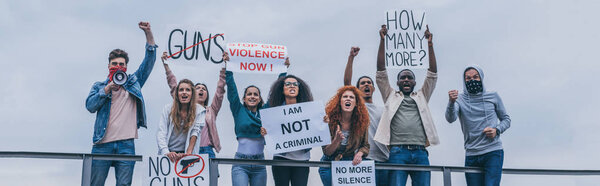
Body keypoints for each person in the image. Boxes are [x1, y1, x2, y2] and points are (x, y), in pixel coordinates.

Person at [85, 21, 157, 186]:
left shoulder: (133, 83)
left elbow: (150, 60)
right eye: (115, 64)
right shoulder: (99, 86)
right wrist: (107, 89)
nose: (118, 67)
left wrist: (148, 33)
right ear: (108, 66)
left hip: (126, 144)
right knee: (95, 183)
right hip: (102, 144)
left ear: (126, 67)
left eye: (122, 65)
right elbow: (90, 106)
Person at [373, 24, 438, 186]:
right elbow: (381, 71)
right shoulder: (390, 95)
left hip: (420, 152)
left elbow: (433, 74)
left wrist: (430, 44)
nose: (406, 80)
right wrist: (382, 41)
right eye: (403, 77)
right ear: (398, 82)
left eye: (409, 77)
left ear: (415, 82)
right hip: (397, 152)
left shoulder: (422, 95)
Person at [225, 53, 289, 186]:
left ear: (260, 99)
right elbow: (231, 88)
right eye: (249, 94)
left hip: (260, 164)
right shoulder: (238, 109)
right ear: (244, 98)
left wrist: (283, 70)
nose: (252, 96)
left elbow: (276, 92)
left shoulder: (265, 111)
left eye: (256, 94)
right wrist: (228, 66)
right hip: (241, 163)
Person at [445, 65, 511, 186]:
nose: (472, 80)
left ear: (481, 78)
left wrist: (497, 130)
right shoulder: (460, 99)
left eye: (475, 77)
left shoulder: (493, 96)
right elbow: (450, 118)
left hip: (493, 151)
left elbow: (506, 120)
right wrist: (451, 102)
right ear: (464, 81)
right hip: (472, 153)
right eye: (468, 78)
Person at [160, 52, 226, 159]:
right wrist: (166, 65)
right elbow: (174, 86)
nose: (200, 90)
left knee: (208, 176)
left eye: (203, 89)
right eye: (197, 88)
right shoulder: (183, 105)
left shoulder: (211, 110)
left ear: (206, 94)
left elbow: (220, 90)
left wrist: (224, 66)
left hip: (206, 149)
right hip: (187, 148)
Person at [342, 46, 390, 186]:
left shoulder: (383, 110)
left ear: (373, 89)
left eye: (369, 83)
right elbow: (346, 85)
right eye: (363, 83)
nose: (366, 85)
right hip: (364, 159)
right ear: (357, 89)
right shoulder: (357, 108)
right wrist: (351, 58)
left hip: (384, 159)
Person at [265, 74, 313, 186]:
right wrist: (265, 133)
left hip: (302, 160)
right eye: (288, 84)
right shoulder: (274, 111)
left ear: (299, 89)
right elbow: (271, 136)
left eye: (295, 84)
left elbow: (315, 131)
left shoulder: (309, 110)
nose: (292, 86)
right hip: (281, 159)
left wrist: (323, 122)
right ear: (282, 90)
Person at [318, 86, 370, 186]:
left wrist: (359, 153)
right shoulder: (328, 122)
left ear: (356, 104)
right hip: (329, 163)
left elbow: (365, 146)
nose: (348, 99)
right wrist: (336, 140)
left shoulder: (361, 123)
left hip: (349, 164)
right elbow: (327, 152)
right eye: (345, 96)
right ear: (339, 102)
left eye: (351, 97)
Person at [156, 79, 205, 162]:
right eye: (181, 90)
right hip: (169, 152)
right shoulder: (168, 109)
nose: (184, 92)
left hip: (186, 153)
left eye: (188, 90)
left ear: (192, 94)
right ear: (177, 94)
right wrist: (166, 152)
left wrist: (188, 154)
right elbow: (161, 132)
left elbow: (195, 132)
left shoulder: (200, 110)